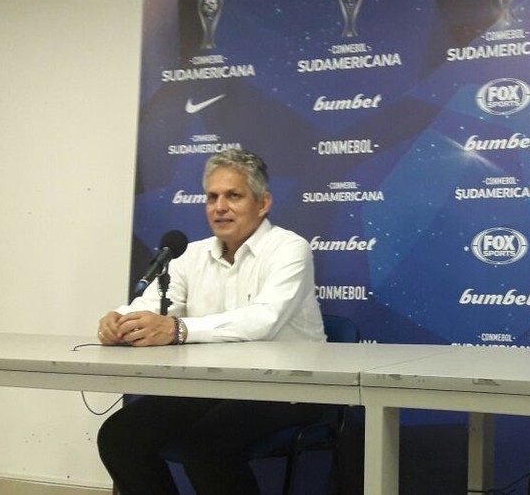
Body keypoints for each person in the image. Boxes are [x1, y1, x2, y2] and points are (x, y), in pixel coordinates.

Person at [96, 149, 360, 494]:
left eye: (233, 196)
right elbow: (153, 306)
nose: (219, 207)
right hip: (215, 388)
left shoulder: (289, 249)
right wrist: (121, 321)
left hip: (291, 388)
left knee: (207, 448)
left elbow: (262, 320)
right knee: (120, 436)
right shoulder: (189, 254)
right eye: (212, 197)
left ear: (262, 203)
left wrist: (177, 330)